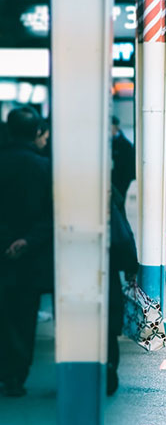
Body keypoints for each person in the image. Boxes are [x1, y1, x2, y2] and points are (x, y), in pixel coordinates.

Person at [0, 106, 53, 397]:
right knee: (24, 317)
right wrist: (26, 242)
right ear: (36, 132)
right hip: (29, 258)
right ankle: (16, 378)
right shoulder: (43, 167)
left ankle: (4, 370)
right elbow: (50, 215)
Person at [108, 187, 139, 395]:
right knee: (107, 327)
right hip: (106, 270)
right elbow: (122, 236)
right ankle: (109, 368)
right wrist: (130, 268)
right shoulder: (109, 195)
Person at [111, 116, 136, 201]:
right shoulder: (108, 143)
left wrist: (123, 185)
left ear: (116, 127)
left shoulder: (126, 145)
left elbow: (130, 168)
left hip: (120, 185)